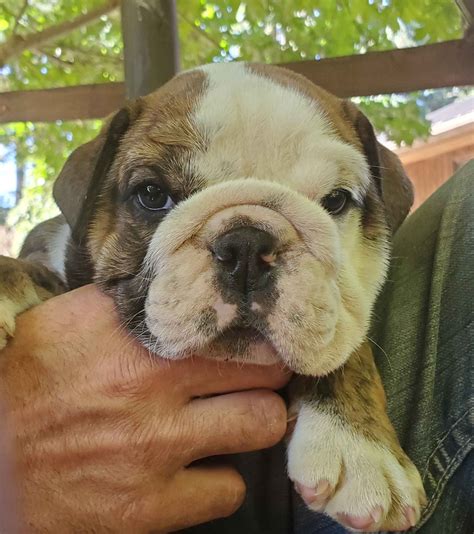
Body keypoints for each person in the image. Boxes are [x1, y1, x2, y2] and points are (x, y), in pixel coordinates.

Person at [1, 162, 473, 533]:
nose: (248, 258)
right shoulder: (56, 249)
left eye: (331, 200)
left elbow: (345, 297)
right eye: (155, 196)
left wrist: (346, 386)